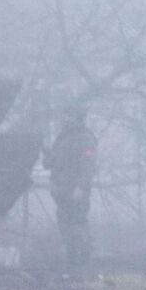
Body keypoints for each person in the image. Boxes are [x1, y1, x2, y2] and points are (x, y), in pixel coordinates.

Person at [44, 111, 97, 268]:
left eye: (69, 115)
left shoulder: (86, 139)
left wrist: (80, 187)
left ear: (77, 118)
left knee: (78, 224)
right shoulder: (62, 138)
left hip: (76, 191)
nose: (65, 118)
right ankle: (72, 260)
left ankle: (84, 258)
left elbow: (88, 166)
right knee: (65, 225)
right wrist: (48, 155)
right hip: (61, 191)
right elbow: (52, 163)